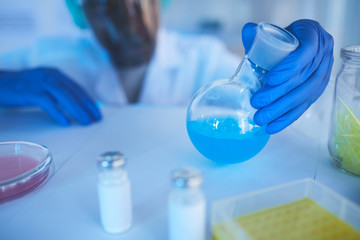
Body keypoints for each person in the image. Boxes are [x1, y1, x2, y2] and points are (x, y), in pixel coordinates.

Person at [0, 0, 333, 134]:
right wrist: (5, 83)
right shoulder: (48, 58)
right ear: (80, 9)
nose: (124, 20)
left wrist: (301, 64)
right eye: (104, 3)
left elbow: (308, 116)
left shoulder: (204, 60)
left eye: (135, 3)